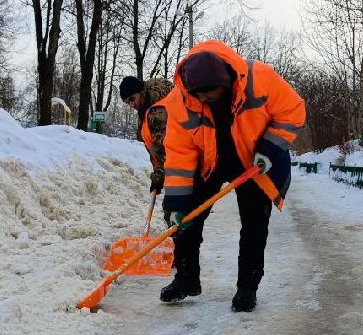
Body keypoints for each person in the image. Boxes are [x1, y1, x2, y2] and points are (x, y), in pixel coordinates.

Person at [160, 40, 306, 311]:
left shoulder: (260, 79)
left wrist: (270, 147)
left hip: (254, 160)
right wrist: (177, 203)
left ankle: (247, 288)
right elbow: (179, 155)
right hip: (209, 162)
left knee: (254, 224)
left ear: (226, 82)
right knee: (187, 220)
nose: (203, 100)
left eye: (210, 95)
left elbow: (293, 111)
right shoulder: (180, 100)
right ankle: (185, 278)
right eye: (198, 96)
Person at [119, 74, 174, 196]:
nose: (132, 105)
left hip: (180, 168)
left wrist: (158, 178)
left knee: (176, 210)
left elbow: (163, 150)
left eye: (132, 99)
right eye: (128, 103)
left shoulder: (157, 112)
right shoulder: (145, 108)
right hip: (174, 168)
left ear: (140, 91)